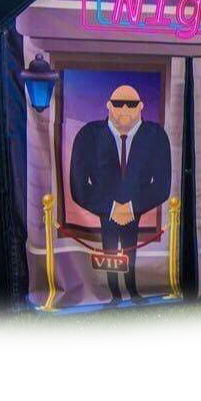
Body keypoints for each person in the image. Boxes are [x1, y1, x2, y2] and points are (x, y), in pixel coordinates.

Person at [70, 84, 171, 305]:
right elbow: (78, 185)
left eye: (131, 104)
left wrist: (132, 207)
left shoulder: (156, 137)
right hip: (105, 211)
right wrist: (111, 207)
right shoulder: (88, 135)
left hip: (135, 209)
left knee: (129, 247)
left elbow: (162, 184)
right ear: (108, 105)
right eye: (118, 103)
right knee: (109, 248)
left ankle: (133, 291)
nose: (124, 108)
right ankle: (112, 293)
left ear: (141, 106)